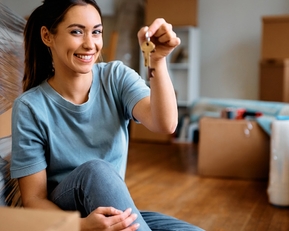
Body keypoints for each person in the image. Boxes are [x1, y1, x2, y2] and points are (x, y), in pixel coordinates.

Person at [10, 0, 204, 230]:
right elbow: (34, 200)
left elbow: (165, 123)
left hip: (113, 206)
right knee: (96, 171)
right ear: (47, 36)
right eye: (76, 32)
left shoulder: (116, 77)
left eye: (97, 32)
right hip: (67, 215)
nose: (90, 44)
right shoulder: (30, 107)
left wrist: (157, 61)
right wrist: (81, 226)